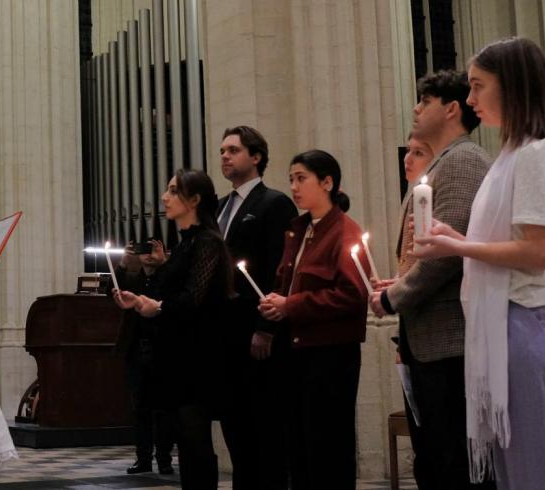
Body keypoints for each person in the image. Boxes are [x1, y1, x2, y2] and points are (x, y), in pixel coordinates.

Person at [411, 37, 545, 489]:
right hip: (515, 324)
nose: (470, 100)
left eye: (478, 86)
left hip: (540, 325)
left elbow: (539, 252)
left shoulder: (539, 154)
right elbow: (510, 242)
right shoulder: (510, 158)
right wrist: (462, 239)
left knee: (544, 471)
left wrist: (461, 249)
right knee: (519, 475)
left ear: (512, 86)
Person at [369, 69, 494, 490]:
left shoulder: (462, 162)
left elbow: (447, 257)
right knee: (435, 456)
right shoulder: (442, 164)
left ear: (452, 109)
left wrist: (393, 298)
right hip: (429, 340)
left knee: (453, 457)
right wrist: (399, 280)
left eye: (424, 101)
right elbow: (426, 250)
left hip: (451, 340)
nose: (416, 109)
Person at [114, 169, 233, 490]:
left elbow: (194, 298)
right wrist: (139, 300)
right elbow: (168, 295)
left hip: (197, 358)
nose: (164, 198)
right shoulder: (183, 245)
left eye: (172, 191)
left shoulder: (207, 242)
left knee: (196, 443)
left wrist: (159, 307)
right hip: (176, 356)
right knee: (186, 444)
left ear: (193, 200)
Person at [258, 150, 368, 490]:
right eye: (291, 179)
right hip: (295, 350)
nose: (293, 186)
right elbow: (287, 282)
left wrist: (292, 305)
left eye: (301, 178)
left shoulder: (344, 231)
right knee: (298, 444)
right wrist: (275, 306)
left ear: (327, 182)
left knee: (327, 446)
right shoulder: (298, 230)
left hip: (330, 354)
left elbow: (352, 296)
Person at [212, 125, 296, 489]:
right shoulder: (218, 207)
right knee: (236, 428)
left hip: (257, 333)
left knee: (265, 429)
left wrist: (267, 328)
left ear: (256, 156)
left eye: (233, 150)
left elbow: (282, 268)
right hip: (226, 335)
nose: (225, 157)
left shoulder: (274, 203)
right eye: (222, 151)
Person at [114, 239, 175, 476]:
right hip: (137, 350)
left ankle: (164, 459)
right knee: (140, 408)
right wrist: (123, 262)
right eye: (144, 250)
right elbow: (115, 287)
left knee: (164, 408)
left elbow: (174, 292)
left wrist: (163, 264)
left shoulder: (168, 276)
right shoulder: (134, 278)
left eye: (154, 249)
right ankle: (143, 458)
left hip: (164, 349)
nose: (148, 255)